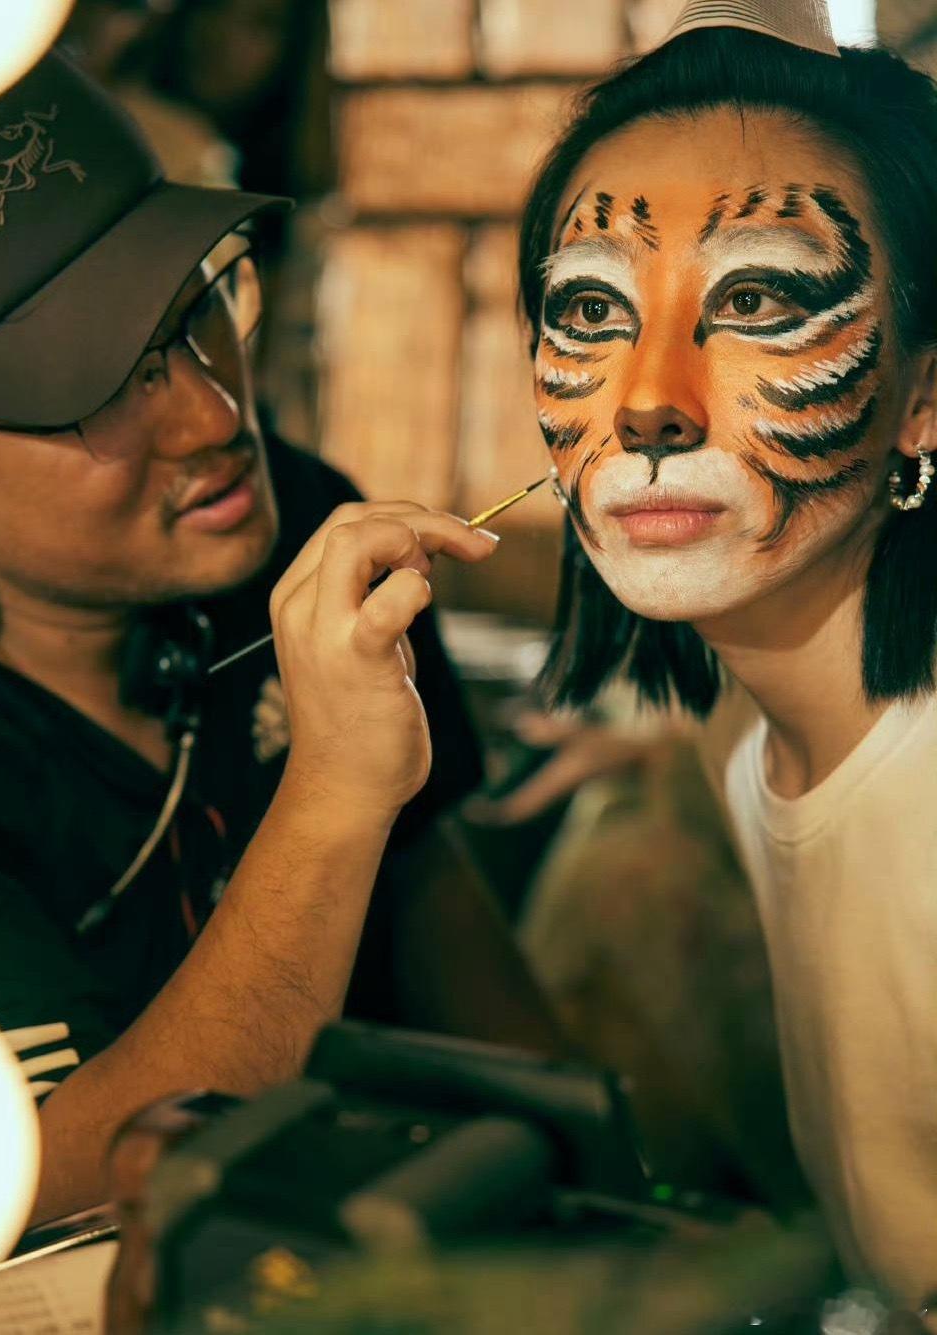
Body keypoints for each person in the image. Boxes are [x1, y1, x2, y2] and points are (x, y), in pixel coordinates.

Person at [0, 51, 562, 1227]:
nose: (214, 415)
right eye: (101, 386)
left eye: (202, 308)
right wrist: (334, 791)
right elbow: (58, 1182)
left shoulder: (289, 522)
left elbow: (430, 896)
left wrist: (597, 1176)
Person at [515, 1, 937, 1317]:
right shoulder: (751, 742)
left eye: (753, 299)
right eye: (592, 308)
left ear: (926, 396)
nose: (649, 400)